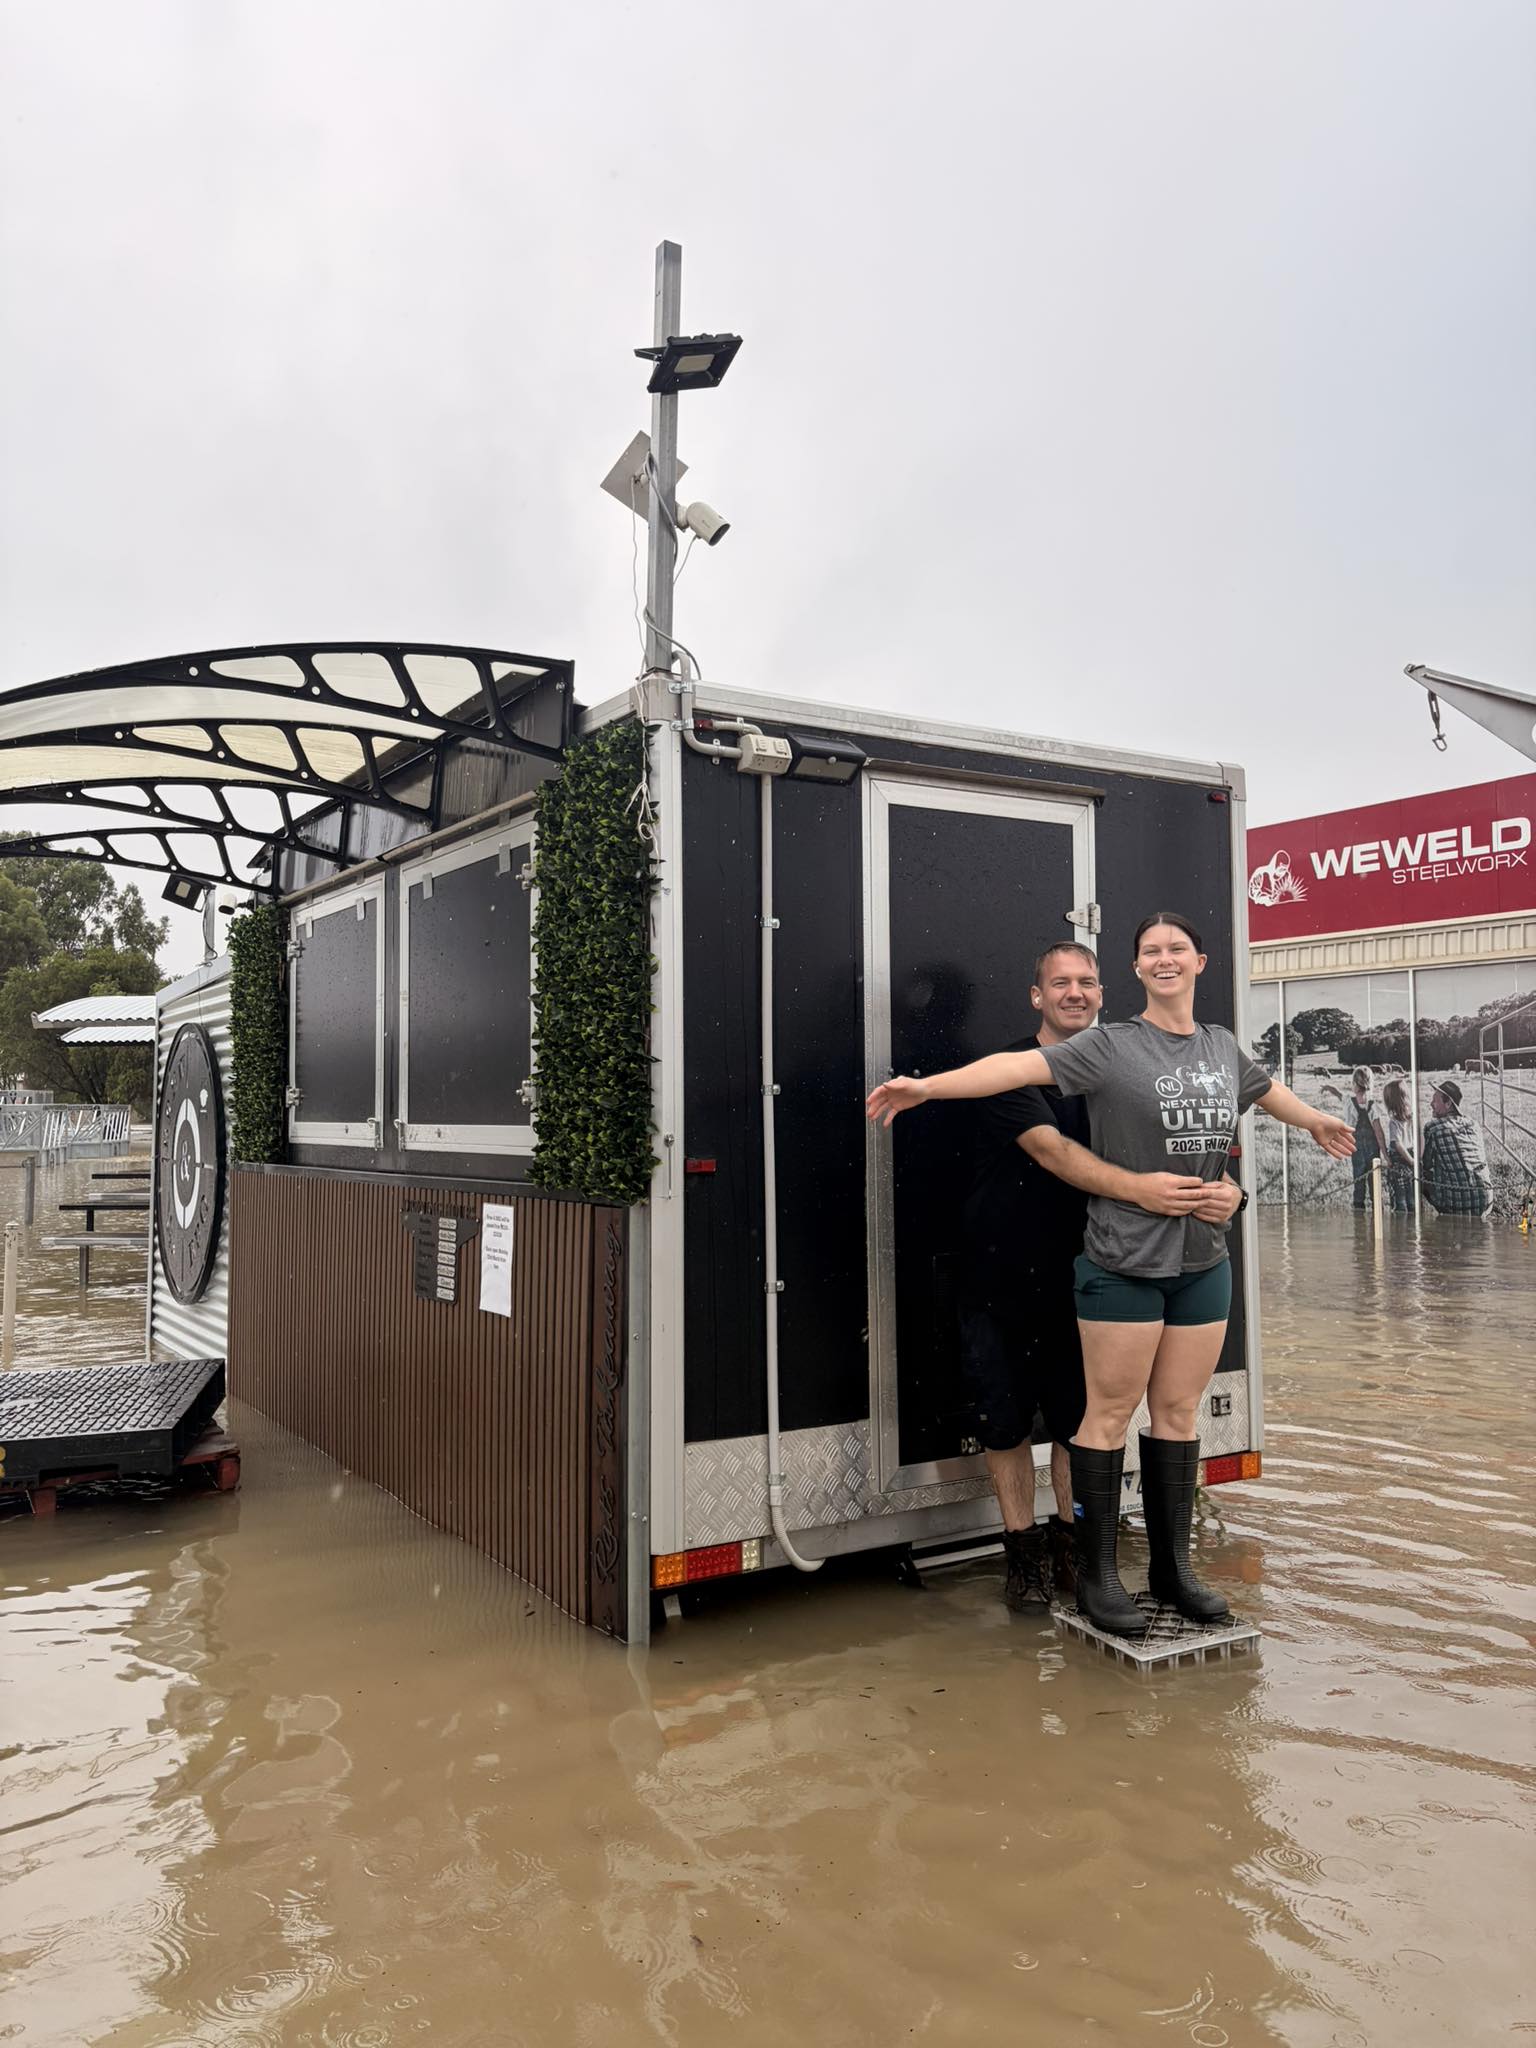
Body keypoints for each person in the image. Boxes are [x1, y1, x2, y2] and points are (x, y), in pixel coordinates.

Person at [868, 911, 1355, 1637]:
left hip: (1187, 1258)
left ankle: (1163, 1569)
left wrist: (1309, 1122)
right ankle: (1068, 1566)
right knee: (1070, 1419)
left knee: (1166, 1417)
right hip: (1087, 1262)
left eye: (1177, 949)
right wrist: (930, 1087)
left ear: (1200, 962)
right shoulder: (1110, 1048)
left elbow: (1257, 1092)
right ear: (1135, 970)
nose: (1165, 959)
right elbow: (1024, 1089)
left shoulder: (1219, 1046)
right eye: (1150, 951)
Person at [957, 942, 1099, 1611]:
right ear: (1036, 996)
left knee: (1076, 1425)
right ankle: (1022, 1560)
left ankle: (1071, 1551)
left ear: (1101, 995)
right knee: (1005, 1425)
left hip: (1084, 1279)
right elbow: (1055, 1154)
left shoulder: (1116, 1077)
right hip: (996, 1278)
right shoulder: (1009, 1071)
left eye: (1087, 983)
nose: (1075, 992)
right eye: (1060, 983)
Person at [1420, 1081, 1492, 1215]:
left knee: (1419, 1174)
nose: (1431, 1104)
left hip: (1455, 1204)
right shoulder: (1473, 1124)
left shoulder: (1432, 1128)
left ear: (1448, 1104)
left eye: (1435, 1100)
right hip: (1486, 1202)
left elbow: (1425, 1163)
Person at [1345, 1067, 1387, 1209]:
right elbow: (1379, 1132)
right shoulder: (1373, 1106)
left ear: (1355, 1084)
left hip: (1357, 1150)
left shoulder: (1350, 1103)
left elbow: (1349, 1128)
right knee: (1374, 1183)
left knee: (1358, 1182)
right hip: (1373, 1151)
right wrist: (1385, 1154)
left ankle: (1359, 1219)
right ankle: (1377, 1216)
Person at [1380, 1077, 1416, 1211]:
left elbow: (1398, 1144)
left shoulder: (1394, 1122)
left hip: (1401, 1160)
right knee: (1410, 1197)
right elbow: (1402, 1143)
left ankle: (1402, 1227)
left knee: (1401, 1198)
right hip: (1408, 1157)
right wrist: (1412, 1160)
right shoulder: (1409, 1119)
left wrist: (1411, 1161)